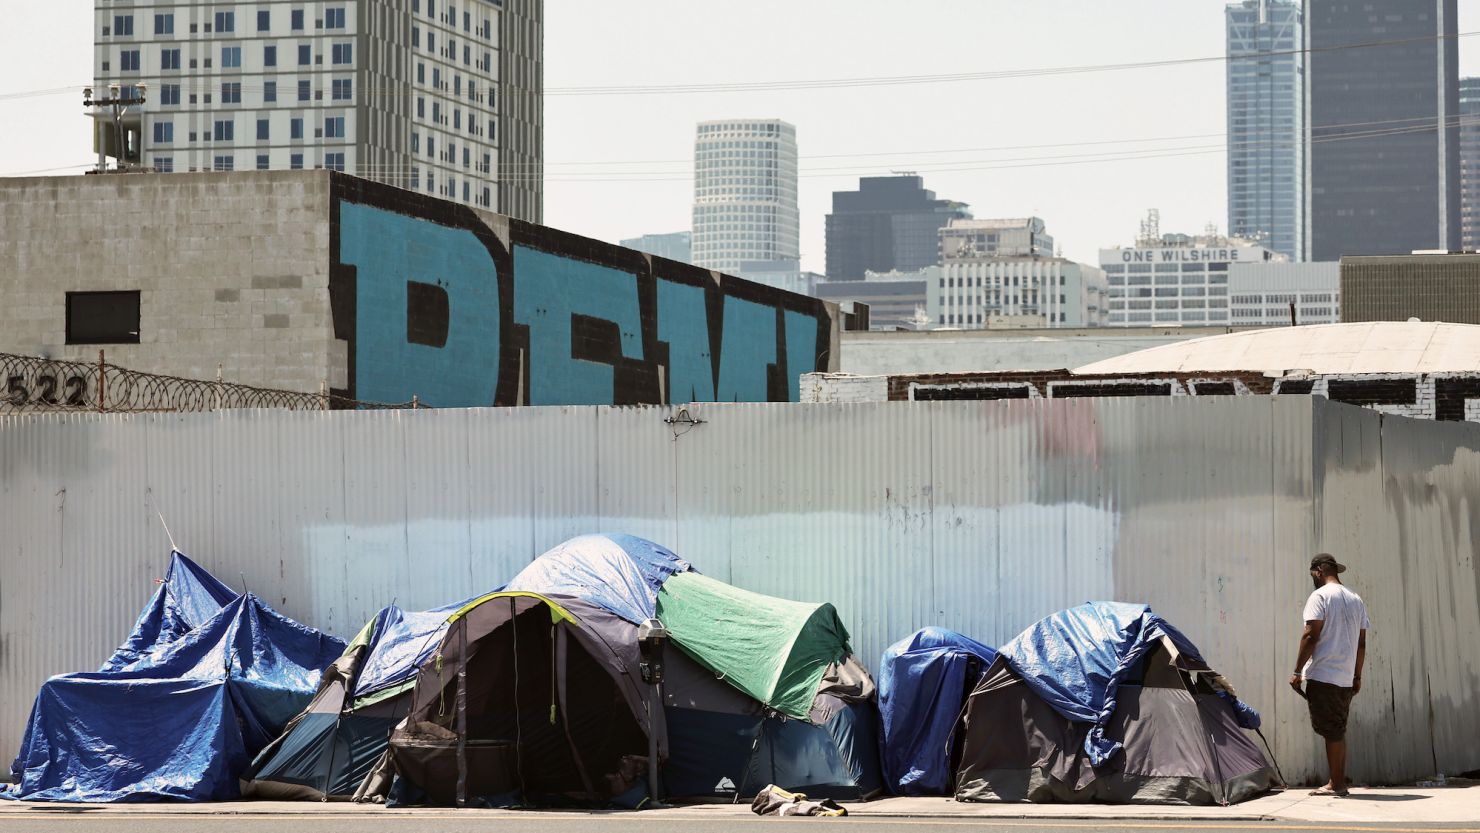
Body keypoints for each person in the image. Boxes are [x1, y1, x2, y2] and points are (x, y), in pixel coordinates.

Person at [1290, 553, 1369, 797]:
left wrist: (1296, 671)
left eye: (1313, 573)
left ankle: (1337, 784)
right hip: (1345, 678)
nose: (1313, 578)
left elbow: (1311, 635)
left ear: (1319, 571)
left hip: (1325, 675)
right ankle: (1336, 781)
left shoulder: (1320, 596)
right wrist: (1356, 677)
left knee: (1332, 731)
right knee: (1336, 729)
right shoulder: (1356, 599)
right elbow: (1361, 643)